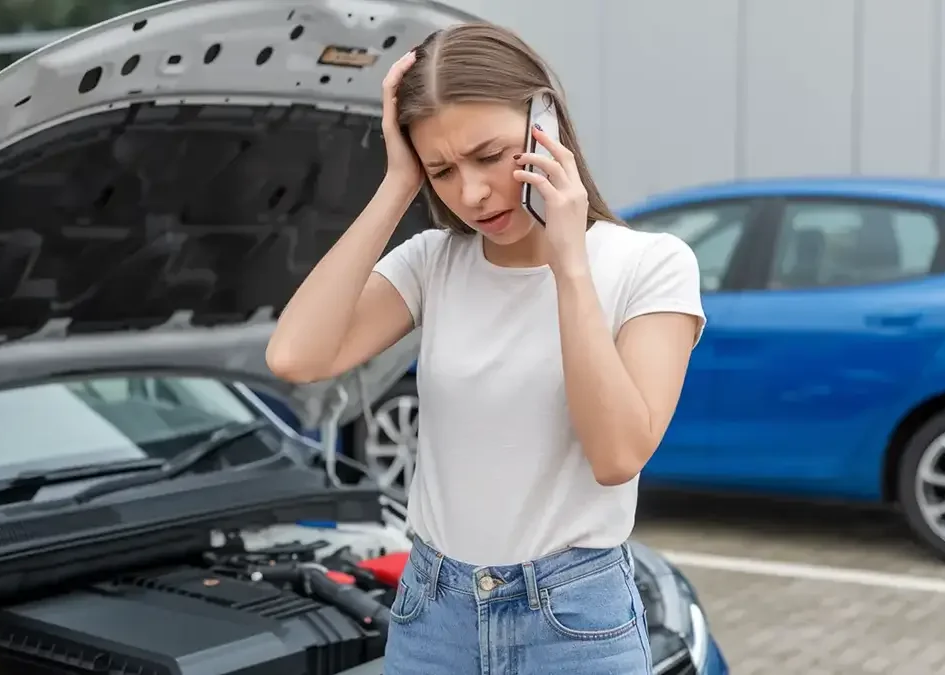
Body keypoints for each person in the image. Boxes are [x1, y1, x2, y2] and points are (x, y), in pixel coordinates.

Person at [266, 21, 704, 675]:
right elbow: (295, 356)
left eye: (489, 155)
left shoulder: (651, 264)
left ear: (545, 122)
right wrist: (398, 184)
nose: (470, 193)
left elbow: (617, 455)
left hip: (572, 622)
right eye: (442, 170)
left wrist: (569, 265)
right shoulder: (433, 262)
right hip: (432, 614)